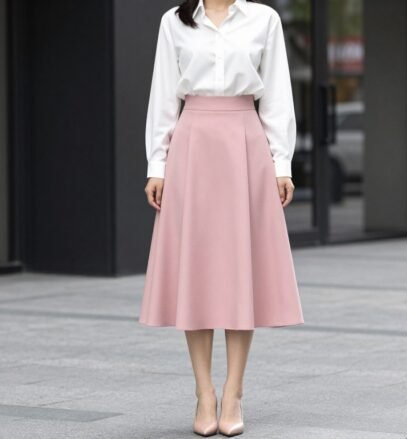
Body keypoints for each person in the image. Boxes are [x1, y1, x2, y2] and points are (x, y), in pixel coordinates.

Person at [138, 0, 305, 436]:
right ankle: (203, 393)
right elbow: (163, 96)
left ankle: (233, 391)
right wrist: (157, 165)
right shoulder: (174, 21)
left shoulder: (263, 19)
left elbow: (276, 94)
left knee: (238, 274)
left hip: (244, 146)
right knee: (194, 273)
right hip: (191, 146)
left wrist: (281, 163)